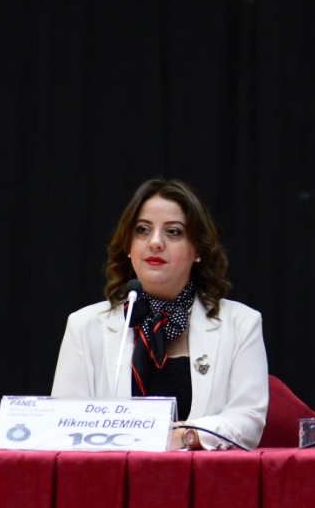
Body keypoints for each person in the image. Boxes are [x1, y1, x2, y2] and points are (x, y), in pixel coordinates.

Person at [53, 178, 268, 449]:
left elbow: (249, 420)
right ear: (129, 247)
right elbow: (62, 423)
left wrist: (187, 436)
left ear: (198, 249)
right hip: (112, 474)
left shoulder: (241, 324)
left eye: (173, 232)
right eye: (142, 230)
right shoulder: (84, 326)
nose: (155, 242)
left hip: (203, 474)